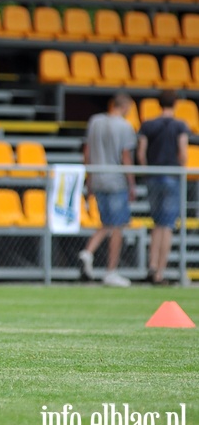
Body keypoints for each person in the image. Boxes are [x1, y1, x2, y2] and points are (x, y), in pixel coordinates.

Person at [78, 92, 137, 287]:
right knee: (117, 226)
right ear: (126, 106)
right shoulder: (125, 126)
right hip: (116, 180)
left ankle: (88, 252)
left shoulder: (95, 121)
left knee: (107, 222)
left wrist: (89, 178)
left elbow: (87, 152)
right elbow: (125, 156)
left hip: (97, 177)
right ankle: (111, 270)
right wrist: (131, 183)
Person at [137, 90, 188, 285]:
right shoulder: (179, 126)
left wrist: (146, 172)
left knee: (156, 223)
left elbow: (141, 153)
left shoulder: (148, 125)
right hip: (171, 177)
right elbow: (183, 153)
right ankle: (160, 272)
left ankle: (151, 265)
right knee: (167, 225)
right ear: (175, 103)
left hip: (153, 177)